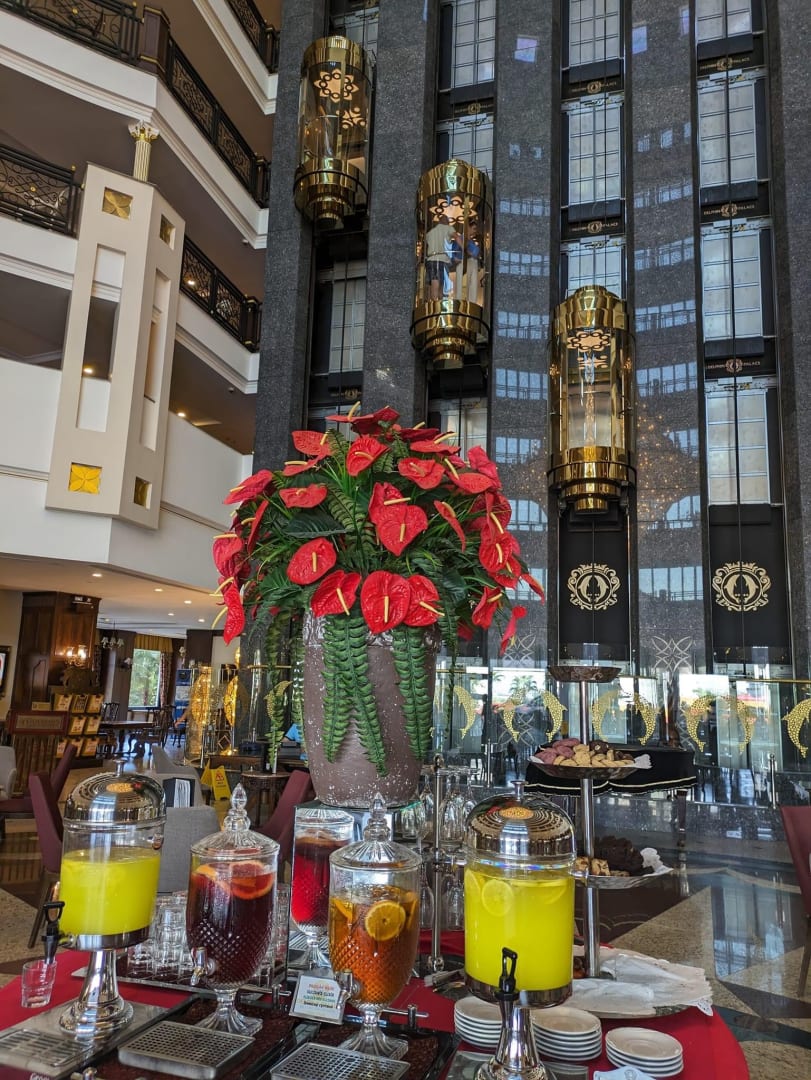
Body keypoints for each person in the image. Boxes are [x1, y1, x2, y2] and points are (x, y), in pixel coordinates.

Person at [424, 218, 460, 301]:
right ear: (447, 222)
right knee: (440, 290)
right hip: (441, 260)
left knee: (433, 287)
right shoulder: (448, 228)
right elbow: (457, 237)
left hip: (431, 260)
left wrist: (419, 260)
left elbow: (424, 247)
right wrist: (464, 248)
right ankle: (438, 307)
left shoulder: (429, 233)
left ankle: (433, 306)